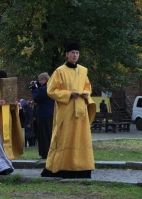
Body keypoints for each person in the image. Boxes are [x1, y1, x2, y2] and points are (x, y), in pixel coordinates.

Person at [41, 43, 96, 179]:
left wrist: (85, 93)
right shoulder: (59, 71)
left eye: (77, 53)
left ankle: (82, 168)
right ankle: (62, 167)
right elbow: (51, 90)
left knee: (81, 139)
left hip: (80, 111)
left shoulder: (83, 70)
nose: (75, 55)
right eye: (72, 52)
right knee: (64, 138)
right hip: (66, 111)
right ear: (66, 54)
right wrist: (69, 94)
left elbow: (88, 87)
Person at [0, 70, 23, 175]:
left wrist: (14, 105)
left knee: (6, 142)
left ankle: (8, 164)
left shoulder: (7, 92)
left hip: (6, 122)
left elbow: (11, 109)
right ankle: (0, 166)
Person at [31, 73, 55, 159]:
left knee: (43, 135)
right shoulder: (51, 87)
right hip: (51, 113)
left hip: (43, 114)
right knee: (49, 133)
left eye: (40, 80)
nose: (39, 82)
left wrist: (33, 90)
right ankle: (50, 152)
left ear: (44, 79)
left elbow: (36, 98)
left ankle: (44, 153)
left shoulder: (43, 89)